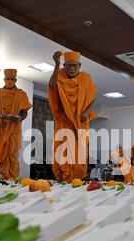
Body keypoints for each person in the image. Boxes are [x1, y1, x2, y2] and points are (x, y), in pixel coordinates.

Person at [48, 51, 98, 183]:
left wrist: (86, 113)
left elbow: (92, 97)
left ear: (79, 65)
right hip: (64, 121)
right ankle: (63, 178)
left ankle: (77, 179)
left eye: (74, 65)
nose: (71, 68)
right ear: (64, 66)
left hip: (81, 122)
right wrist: (57, 64)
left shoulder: (86, 78)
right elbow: (52, 86)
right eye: (68, 66)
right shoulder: (59, 75)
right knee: (61, 150)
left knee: (79, 152)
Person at [0, 69, 31, 180]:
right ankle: (4, 175)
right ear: (4, 79)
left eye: (12, 79)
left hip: (14, 129)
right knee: (0, 157)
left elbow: (24, 113)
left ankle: (12, 177)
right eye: (8, 79)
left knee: (13, 154)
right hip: (1, 129)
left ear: (15, 80)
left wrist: (19, 118)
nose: (9, 81)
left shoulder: (22, 94)